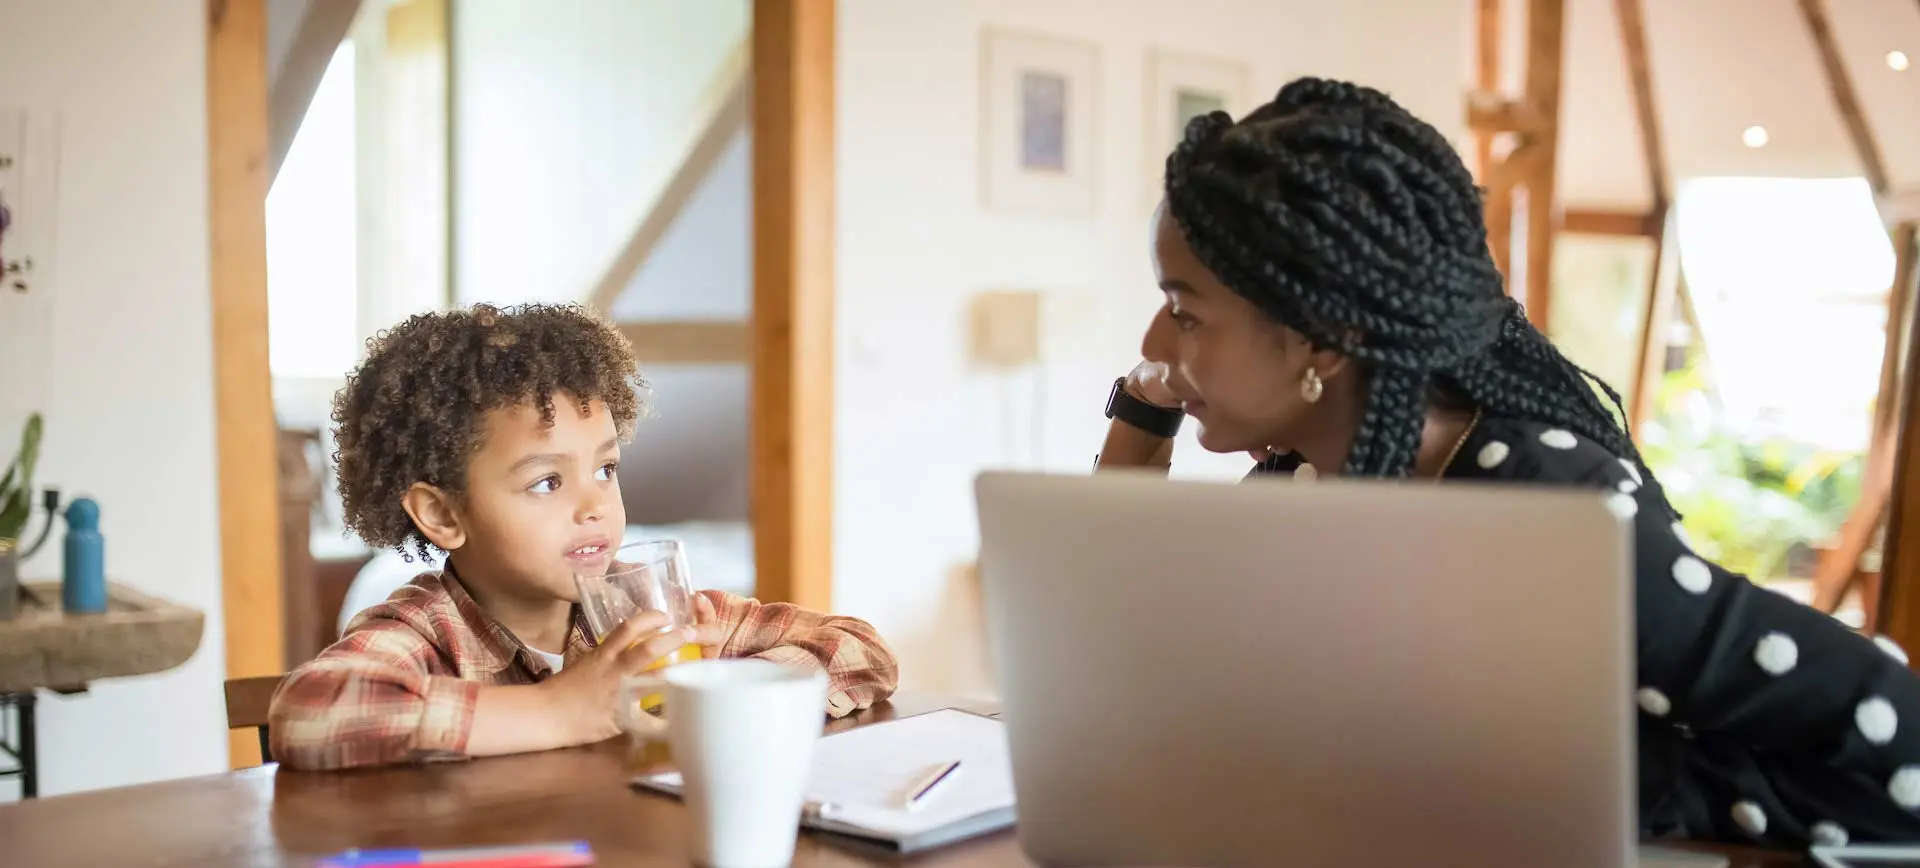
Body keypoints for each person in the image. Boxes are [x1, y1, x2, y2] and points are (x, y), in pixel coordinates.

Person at [1096, 76, 1920, 848]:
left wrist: (1627, 793)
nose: (1153, 344)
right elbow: (1116, 652)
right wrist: (1140, 413)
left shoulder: (1546, 502)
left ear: (1320, 338)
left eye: (1184, 313)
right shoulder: (1305, 476)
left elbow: (1889, 723)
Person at [269, 303, 898, 771]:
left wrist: (724, 692)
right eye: (546, 482)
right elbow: (309, 711)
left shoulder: (649, 620)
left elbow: (860, 650)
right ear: (441, 514)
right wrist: (562, 709)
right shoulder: (424, 632)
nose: (595, 504)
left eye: (605, 469)